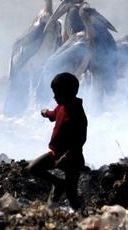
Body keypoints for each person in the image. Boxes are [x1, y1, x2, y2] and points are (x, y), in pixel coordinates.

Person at [28, 72, 88, 209]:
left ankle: (80, 217)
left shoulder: (77, 113)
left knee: (72, 195)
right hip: (56, 153)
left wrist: (67, 156)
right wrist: (45, 113)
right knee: (33, 168)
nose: (54, 96)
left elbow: (81, 139)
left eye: (57, 93)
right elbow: (54, 114)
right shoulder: (62, 106)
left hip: (73, 159)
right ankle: (58, 183)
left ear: (68, 93)